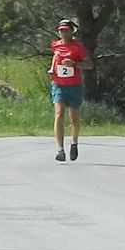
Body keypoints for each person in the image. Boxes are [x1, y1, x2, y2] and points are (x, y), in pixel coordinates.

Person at [48, 19, 94, 162]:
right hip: (58, 84)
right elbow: (55, 58)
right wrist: (52, 69)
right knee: (59, 114)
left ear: (71, 31)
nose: (63, 33)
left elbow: (89, 65)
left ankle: (74, 143)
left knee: (73, 117)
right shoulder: (55, 46)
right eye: (61, 30)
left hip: (74, 85)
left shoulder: (78, 46)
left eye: (66, 30)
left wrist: (74, 64)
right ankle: (60, 150)